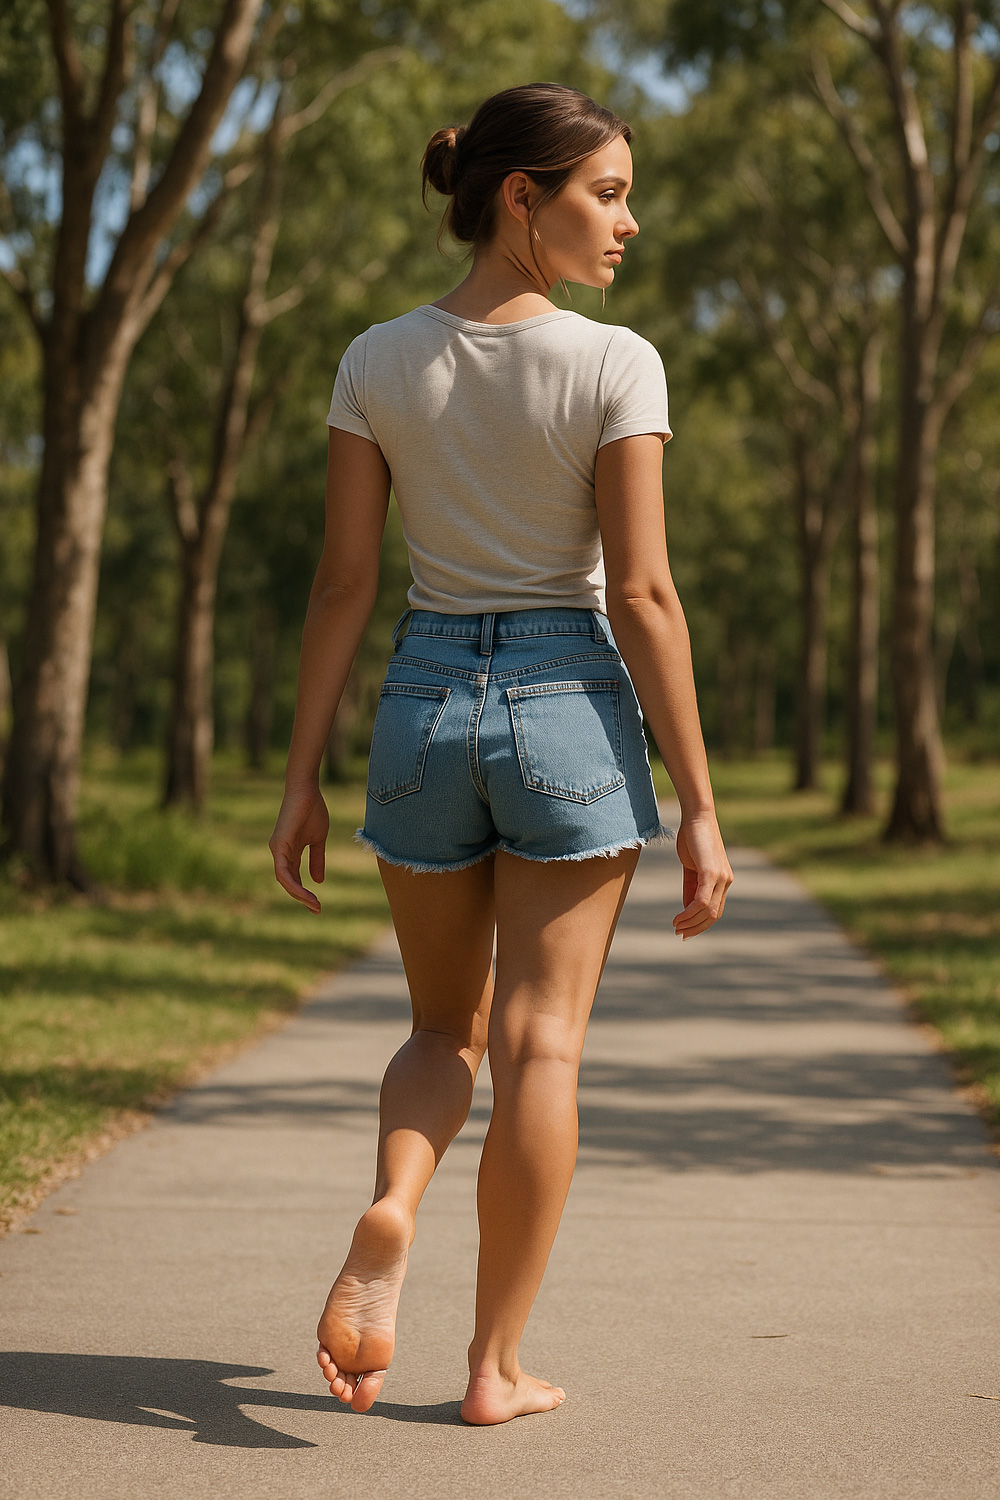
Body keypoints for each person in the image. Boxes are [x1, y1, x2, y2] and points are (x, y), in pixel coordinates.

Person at [268, 81, 733, 1426]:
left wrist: (302, 775)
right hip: (567, 703)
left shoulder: (376, 359)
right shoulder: (613, 362)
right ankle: (492, 1369)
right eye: (605, 193)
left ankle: (393, 1199)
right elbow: (642, 595)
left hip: (420, 698)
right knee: (541, 1044)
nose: (627, 222)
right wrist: (699, 805)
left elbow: (343, 584)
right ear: (519, 198)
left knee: (436, 1028)